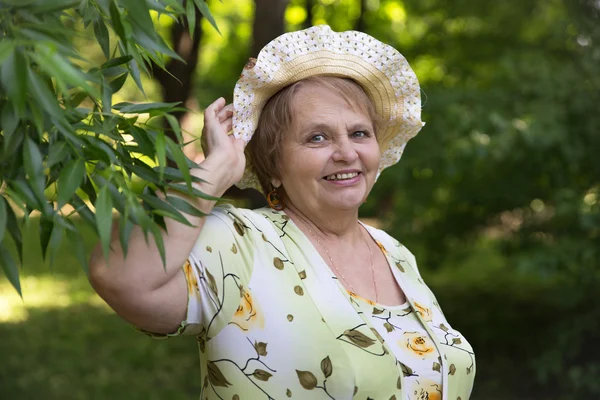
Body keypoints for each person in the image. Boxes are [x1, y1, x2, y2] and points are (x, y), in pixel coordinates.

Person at [90, 25, 475, 400]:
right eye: (317, 137)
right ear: (273, 167)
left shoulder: (395, 253)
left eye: (359, 133)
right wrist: (213, 173)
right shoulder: (240, 241)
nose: (346, 152)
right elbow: (121, 278)